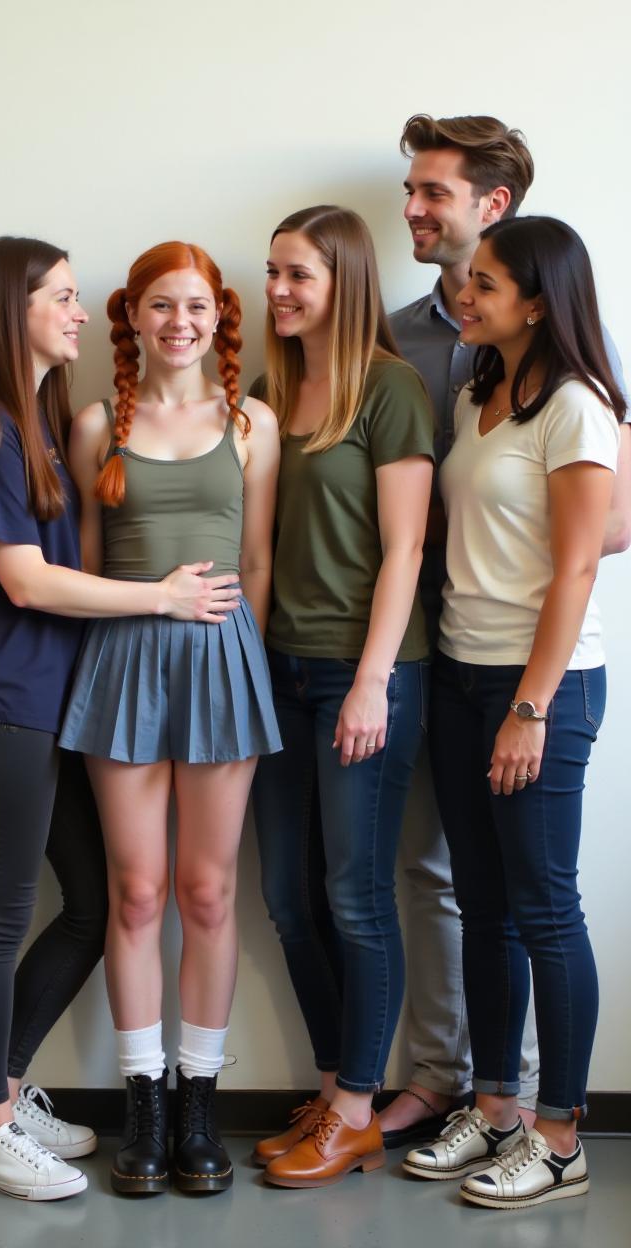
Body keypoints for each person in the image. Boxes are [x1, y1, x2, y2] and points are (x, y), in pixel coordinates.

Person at [0, 236, 243, 1202]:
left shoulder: (37, 417)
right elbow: (29, 578)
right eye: (60, 296)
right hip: (0, 700)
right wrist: (161, 600)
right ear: (8, 309)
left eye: (74, 297)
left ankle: (7, 1089)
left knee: (97, 901)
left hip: (53, 699)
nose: (75, 309)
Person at [385, 113, 629, 1150]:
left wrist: (530, 706)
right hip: (456, 671)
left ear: (534, 299)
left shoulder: (575, 405)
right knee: (480, 911)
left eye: (485, 283)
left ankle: (559, 1135)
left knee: (543, 909)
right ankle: (490, 1111)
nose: (465, 296)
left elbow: (583, 556)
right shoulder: (478, 392)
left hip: (541, 687)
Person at [58, 241, 281, 1194]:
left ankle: (200, 1102)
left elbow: (259, 562)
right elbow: (84, 561)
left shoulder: (250, 423)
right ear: (133, 316)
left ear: (219, 315)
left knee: (209, 892)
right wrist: (152, 606)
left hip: (224, 667)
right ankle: (142, 1101)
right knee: (136, 893)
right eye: (160, 305)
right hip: (123, 667)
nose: (178, 321)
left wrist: (247, 666)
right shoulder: (97, 421)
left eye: (195, 305)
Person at [244, 205, 434, 1189]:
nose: (276, 289)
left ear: (343, 283)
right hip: (279, 671)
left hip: (372, 675)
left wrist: (370, 681)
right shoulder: (272, 391)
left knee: (355, 898)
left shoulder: (391, 390)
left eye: (297, 276)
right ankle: (335, 1087)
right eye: (272, 272)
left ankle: (358, 1109)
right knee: (285, 897)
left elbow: (405, 547)